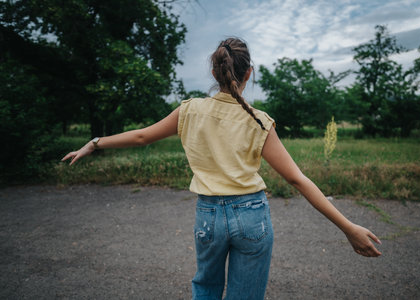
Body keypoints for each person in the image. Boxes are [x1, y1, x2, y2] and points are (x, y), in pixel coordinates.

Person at [62, 37, 381, 300]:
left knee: (206, 290)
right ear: (249, 73)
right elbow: (297, 179)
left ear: (215, 73)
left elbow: (143, 136)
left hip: (208, 217)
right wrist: (348, 227)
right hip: (251, 215)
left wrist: (95, 143)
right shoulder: (259, 121)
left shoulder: (190, 111)